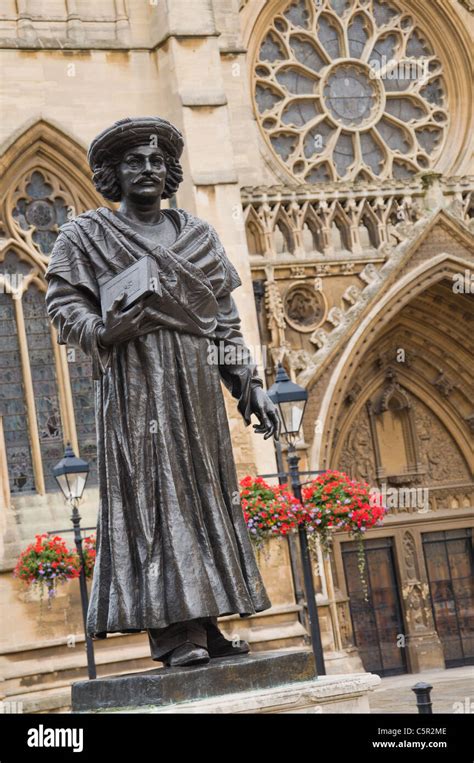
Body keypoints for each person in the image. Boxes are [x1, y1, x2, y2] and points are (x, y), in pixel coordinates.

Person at [45, 116, 280, 667]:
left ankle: (207, 621)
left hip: (196, 390)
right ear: (114, 174)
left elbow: (224, 325)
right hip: (136, 388)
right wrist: (104, 330)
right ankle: (174, 635)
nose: (147, 170)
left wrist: (251, 388)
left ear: (169, 170)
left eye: (155, 161)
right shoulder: (88, 235)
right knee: (155, 498)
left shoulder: (198, 237)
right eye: (134, 162)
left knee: (203, 494)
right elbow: (61, 304)